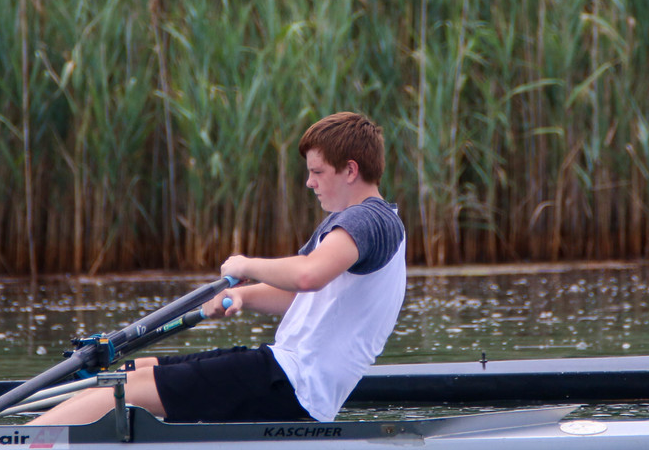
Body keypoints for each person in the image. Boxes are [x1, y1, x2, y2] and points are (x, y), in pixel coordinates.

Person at [30, 111, 407, 425]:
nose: (309, 182)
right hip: (284, 375)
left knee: (129, 389)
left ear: (350, 170)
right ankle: (46, 435)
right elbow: (301, 295)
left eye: (317, 172)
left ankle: (23, 442)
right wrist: (241, 295)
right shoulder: (356, 224)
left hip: (293, 384)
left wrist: (246, 264)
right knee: (138, 370)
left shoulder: (368, 220)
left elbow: (308, 276)